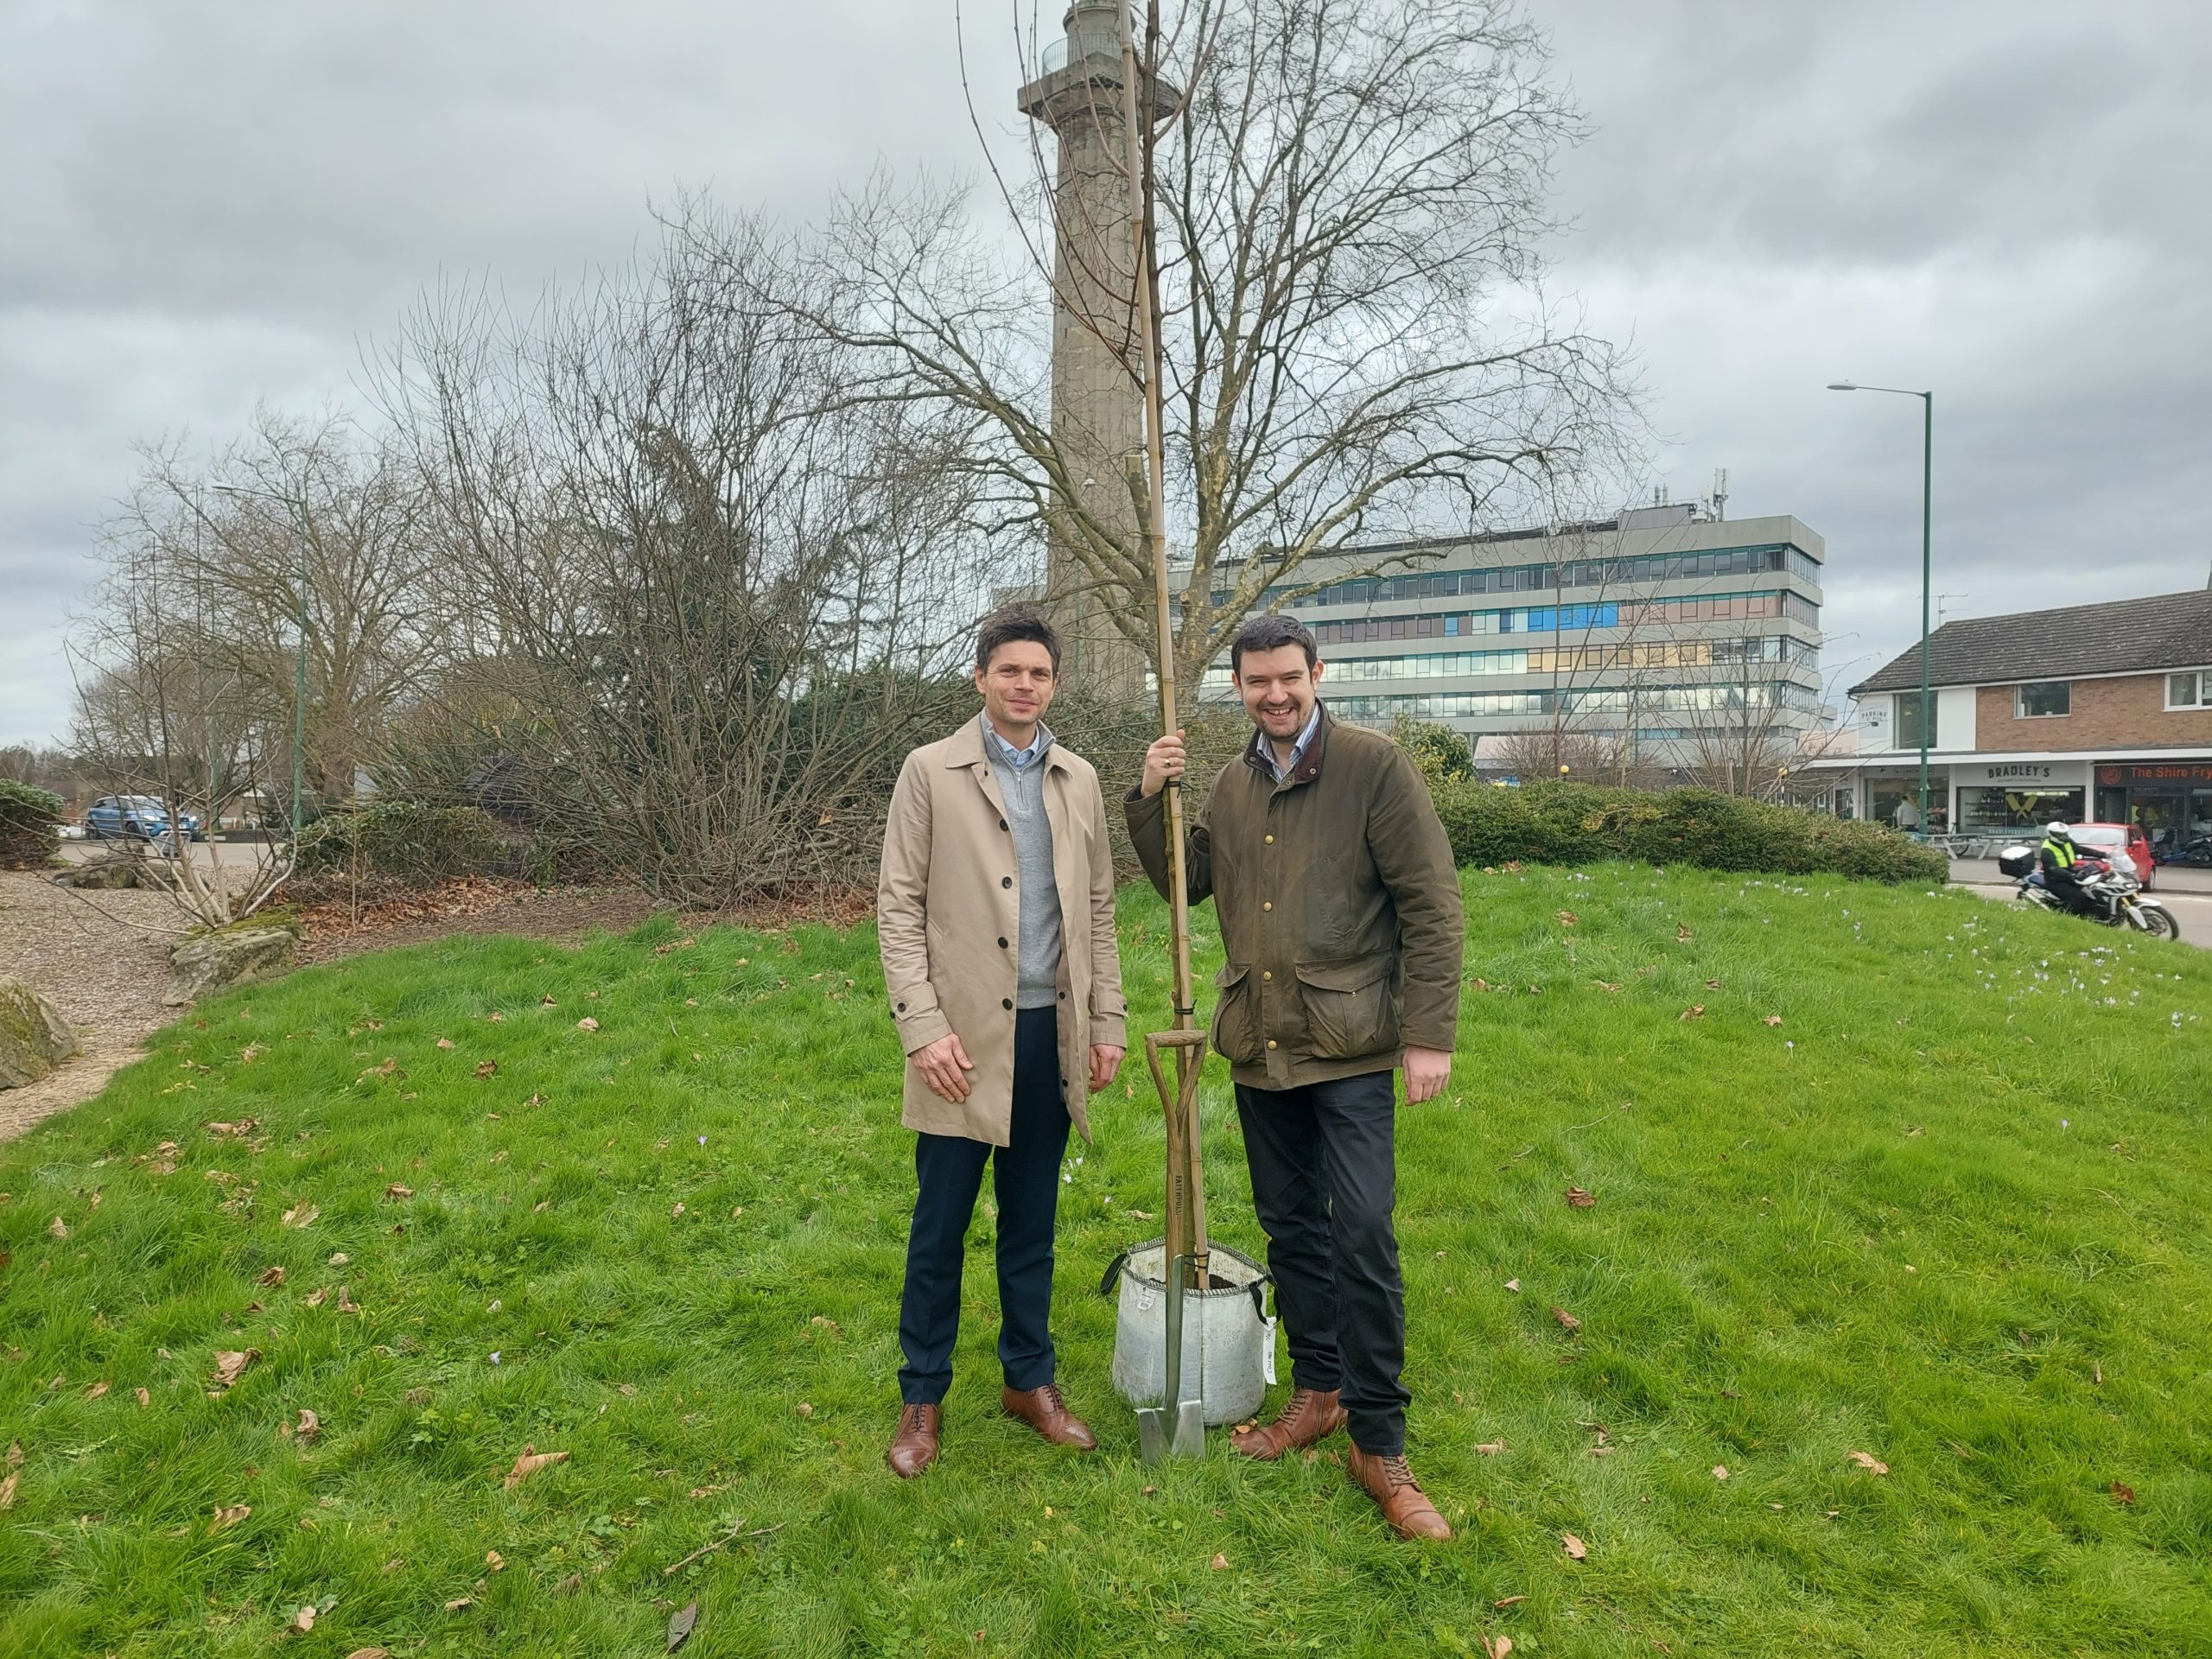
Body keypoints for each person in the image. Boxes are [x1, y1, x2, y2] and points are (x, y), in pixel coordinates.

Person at [1127, 613, 1465, 1541]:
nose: (1274, 695)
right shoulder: (1232, 784)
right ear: (1237, 688)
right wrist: (1147, 797)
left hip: (1351, 1046)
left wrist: (1427, 1034)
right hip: (1261, 1046)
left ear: (1317, 672)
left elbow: (1432, 907)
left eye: (1288, 678)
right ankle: (1317, 1392)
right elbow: (1188, 885)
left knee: (1359, 1228)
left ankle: (1380, 1439)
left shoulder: (1373, 768)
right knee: (1291, 1230)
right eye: (1256, 682)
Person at [876, 605, 1127, 1478]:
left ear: (1055, 684)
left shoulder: (1079, 779)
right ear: (980, 678)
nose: (1025, 685)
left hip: (1047, 1037)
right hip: (959, 1045)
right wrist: (923, 1030)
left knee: (1032, 1227)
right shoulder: (928, 772)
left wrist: (1106, 1023)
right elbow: (897, 910)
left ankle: (1030, 1381)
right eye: (1010, 670)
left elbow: (1097, 911)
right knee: (938, 1229)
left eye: (1040, 673)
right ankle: (922, 1397)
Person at [2036, 820, 2102, 918]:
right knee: (2079, 897)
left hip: (2069, 875)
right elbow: (2054, 869)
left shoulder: (2066, 841)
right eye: (2061, 835)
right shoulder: (2047, 850)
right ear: (2052, 834)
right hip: (2056, 880)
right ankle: (2066, 918)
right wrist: (2072, 875)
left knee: (2093, 892)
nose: (2064, 836)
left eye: (2065, 834)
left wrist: (2103, 855)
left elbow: (2081, 850)